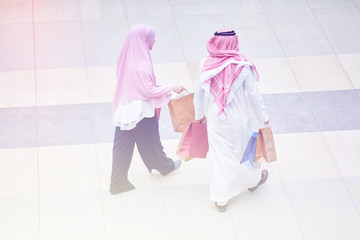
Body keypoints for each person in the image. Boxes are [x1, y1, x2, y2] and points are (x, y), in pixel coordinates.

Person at [193, 29, 270, 212]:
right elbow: (254, 95)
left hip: (216, 120)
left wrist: (199, 115)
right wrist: (264, 117)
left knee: (220, 158)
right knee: (242, 153)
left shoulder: (206, 64)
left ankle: (221, 200)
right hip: (239, 120)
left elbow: (199, 93)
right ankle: (252, 181)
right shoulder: (242, 65)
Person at [110, 24, 186, 195]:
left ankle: (117, 182)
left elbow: (135, 85)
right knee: (151, 141)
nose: (154, 41)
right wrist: (171, 88)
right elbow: (147, 90)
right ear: (144, 40)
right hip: (141, 111)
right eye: (151, 38)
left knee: (122, 146)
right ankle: (165, 166)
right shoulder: (142, 64)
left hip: (124, 110)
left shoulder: (125, 59)